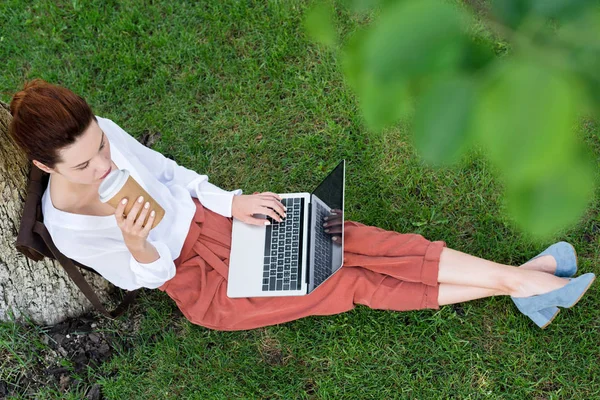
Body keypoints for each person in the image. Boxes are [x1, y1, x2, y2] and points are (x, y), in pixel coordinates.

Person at [7, 79, 595, 331]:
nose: (105, 164)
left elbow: (167, 173)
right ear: (45, 167)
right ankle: (530, 286)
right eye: (84, 164)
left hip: (217, 221)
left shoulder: (103, 132)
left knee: (357, 240)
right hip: (201, 282)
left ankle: (525, 287)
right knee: (349, 281)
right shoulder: (71, 228)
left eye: (101, 147)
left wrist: (229, 201)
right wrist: (139, 245)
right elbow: (146, 279)